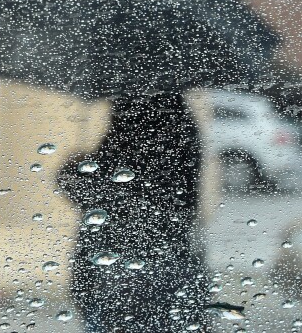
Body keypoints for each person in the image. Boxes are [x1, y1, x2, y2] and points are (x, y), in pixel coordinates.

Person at [57, 92, 210, 332]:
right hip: (172, 259)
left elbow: (102, 193)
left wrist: (74, 168)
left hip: (122, 270)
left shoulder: (134, 128)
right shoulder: (183, 128)